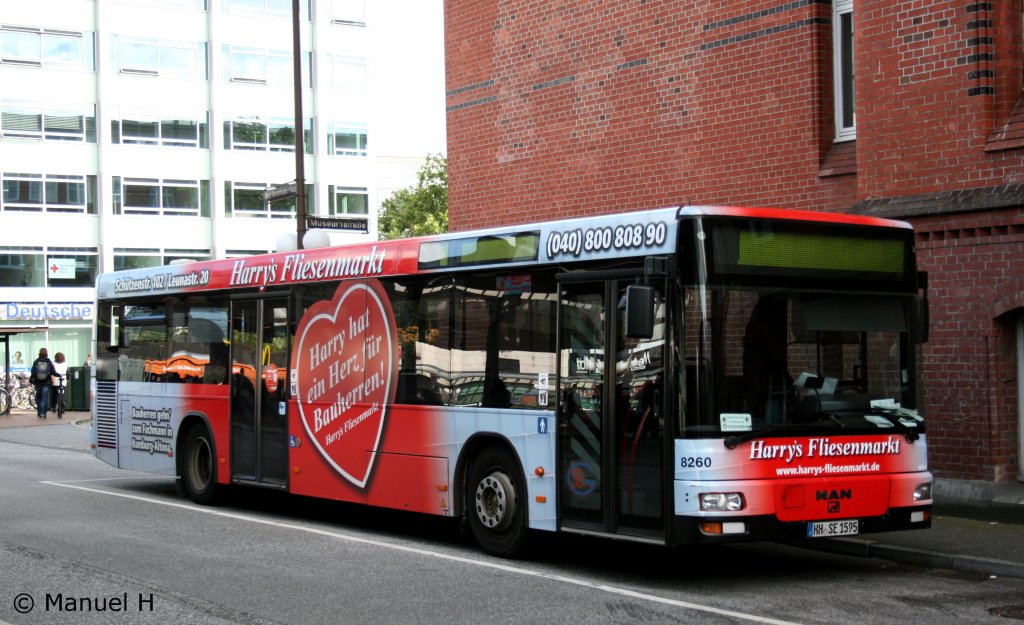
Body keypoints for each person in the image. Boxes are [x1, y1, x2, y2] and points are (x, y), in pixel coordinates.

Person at [30, 348, 57, 419]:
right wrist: (59, 375)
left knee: (38, 397)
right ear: (46, 353)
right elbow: (53, 372)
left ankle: (39, 412)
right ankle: (43, 413)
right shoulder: (49, 361)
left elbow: (33, 371)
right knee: (44, 398)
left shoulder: (36, 361)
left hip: (38, 382)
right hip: (46, 382)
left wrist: (31, 379)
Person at [51, 352, 68, 417]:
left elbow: (52, 372)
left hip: (55, 380)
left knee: (55, 395)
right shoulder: (65, 364)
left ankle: (54, 407)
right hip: (63, 380)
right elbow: (66, 371)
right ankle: (62, 408)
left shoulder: (54, 364)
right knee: (62, 394)